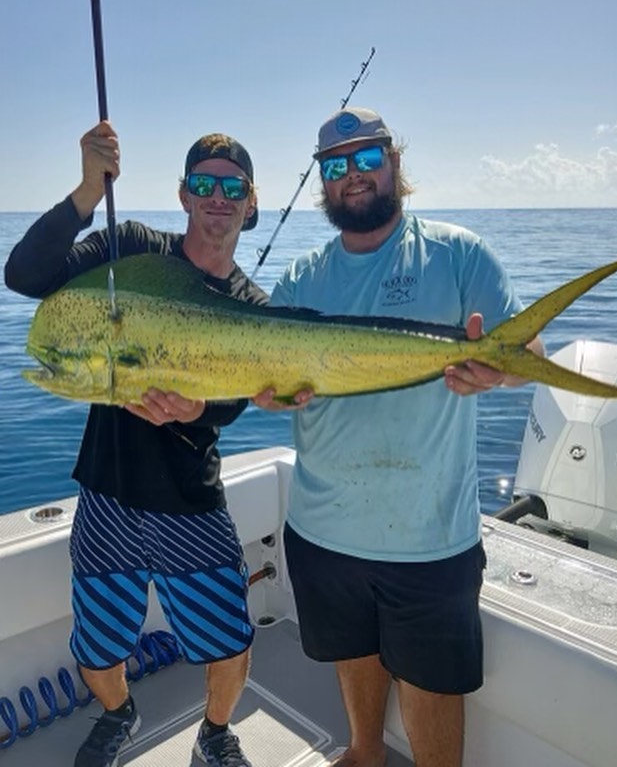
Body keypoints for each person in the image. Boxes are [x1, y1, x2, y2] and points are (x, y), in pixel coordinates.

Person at [254, 107, 544, 767]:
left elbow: (524, 346)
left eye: (366, 159)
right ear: (322, 182)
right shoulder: (300, 279)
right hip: (322, 527)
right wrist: (263, 392)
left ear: (395, 163)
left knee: (431, 683)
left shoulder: (459, 253)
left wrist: (498, 367)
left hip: (429, 533)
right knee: (351, 654)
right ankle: (364, 752)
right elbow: (267, 380)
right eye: (336, 166)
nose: (352, 176)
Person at [4, 121, 268, 767]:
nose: (217, 196)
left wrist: (201, 406)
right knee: (97, 651)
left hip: (190, 501)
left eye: (232, 186)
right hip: (109, 491)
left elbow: (242, 398)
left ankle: (215, 733)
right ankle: (119, 711)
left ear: (251, 202)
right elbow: (24, 275)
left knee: (230, 642)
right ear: (183, 195)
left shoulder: (254, 303)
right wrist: (87, 193)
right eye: (204, 183)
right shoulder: (131, 248)